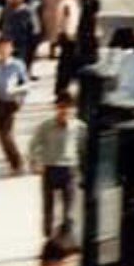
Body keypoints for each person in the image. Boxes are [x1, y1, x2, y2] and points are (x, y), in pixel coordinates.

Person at [28, 92, 85, 238]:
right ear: (56, 107)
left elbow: (84, 148)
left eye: (67, 107)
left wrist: (83, 169)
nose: (64, 111)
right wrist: (35, 162)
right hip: (50, 168)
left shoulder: (79, 127)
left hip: (69, 170)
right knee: (48, 208)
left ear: (72, 109)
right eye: (61, 107)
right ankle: (47, 238)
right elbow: (33, 145)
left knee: (69, 210)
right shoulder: (46, 126)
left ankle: (66, 238)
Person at [0, 37, 31, 176]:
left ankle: (17, 163)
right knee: (0, 135)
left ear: (11, 49)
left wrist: (18, 92)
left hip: (12, 102)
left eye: (7, 47)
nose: (4, 51)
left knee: (6, 134)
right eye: (1, 48)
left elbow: (26, 84)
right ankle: (13, 162)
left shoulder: (17, 65)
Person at [1, 0, 41, 80]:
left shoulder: (28, 10)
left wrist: (34, 40)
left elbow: (34, 27)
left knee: (21, 61)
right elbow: (2, 23)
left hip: (23, 41)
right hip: (9, 40)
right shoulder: (7, 9)